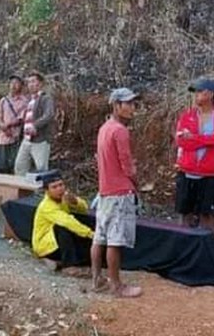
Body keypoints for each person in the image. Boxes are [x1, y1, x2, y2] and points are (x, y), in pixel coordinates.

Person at [91, 88, 142, 298]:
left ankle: (97, 280)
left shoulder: (104, 128)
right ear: (116, 105)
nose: (132, 108)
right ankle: (117, 285)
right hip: (120, 191)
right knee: (115, 240)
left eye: (133, 104)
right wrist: (135, 181)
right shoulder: (120, 130)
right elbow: (127, 165)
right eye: (128, 104)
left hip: (104, 191)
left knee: (100, 237)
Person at [174, 78, 214, 228]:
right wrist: (206, 140)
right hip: (186, 171)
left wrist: (194, 138)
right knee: (184, 213)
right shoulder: (187, 115)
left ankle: (204, 248)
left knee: (206, 214)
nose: (196, 95)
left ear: (210, 94)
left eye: (199, 91)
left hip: (209, 173)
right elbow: (181, 141)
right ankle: (182, 246)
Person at [32, 170, 93, 277]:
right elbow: (68, 222)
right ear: (47, 191)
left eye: (61, 185)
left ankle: (57, 261)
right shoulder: (46, 206)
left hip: (57, 243)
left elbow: (84, 209)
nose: (59, 189)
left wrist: (75, 202)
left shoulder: (63, 198)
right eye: (54, 187)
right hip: (45, 245)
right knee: (63, 227)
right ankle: (68, 267)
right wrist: (91, 234)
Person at [14, 72, 55, 177]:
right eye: (28, 82)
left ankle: (41, 192)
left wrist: (35, 125)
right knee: (19, 166)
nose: (30, 84)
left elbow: (49, 115)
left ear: (40, 83)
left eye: (33, 81)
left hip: (40, 139)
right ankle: (22, 191)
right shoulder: (29, 100)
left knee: (41, 168)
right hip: (26, 139)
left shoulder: (46, 98)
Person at [0, 75, 29, 173]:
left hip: (15, 136)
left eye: (17, 83)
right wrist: (2, 125)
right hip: (3, 137)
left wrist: (8, 125)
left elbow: (22, 118)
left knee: (14, 163)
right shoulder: (4, 100)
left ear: (21, 86)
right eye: (12, 83)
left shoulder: (24, 101)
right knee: (1, 164)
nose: (13, 86)